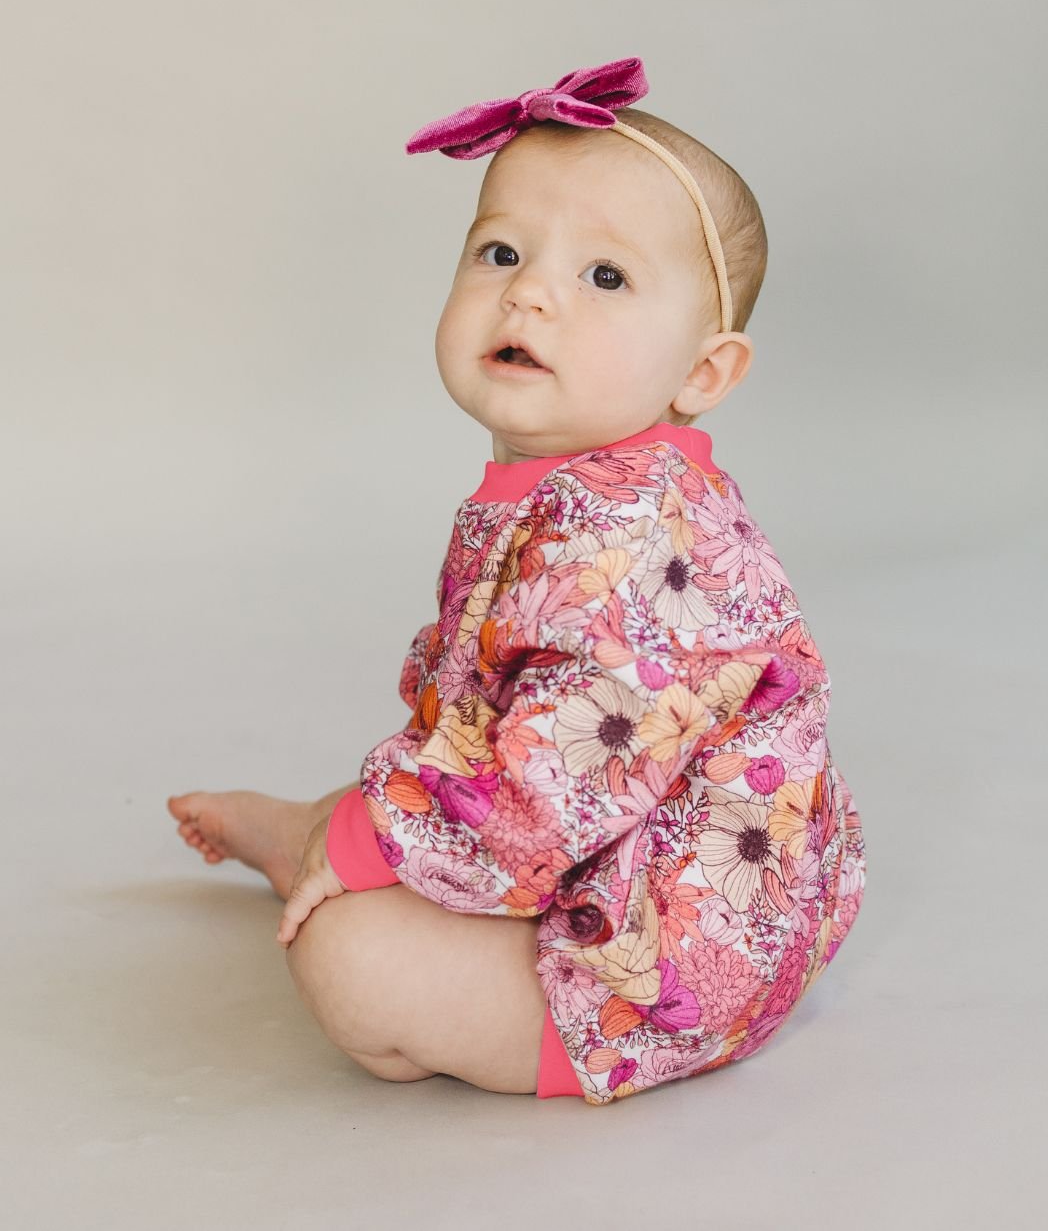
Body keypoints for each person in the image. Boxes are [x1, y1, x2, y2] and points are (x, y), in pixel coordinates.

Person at [167, 57, 868, 1106]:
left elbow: (549, 792)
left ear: (703, 372)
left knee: (351, 959)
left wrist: (368, 851)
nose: (529, 291)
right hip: (584, 845)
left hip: (663, 962)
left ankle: (331, 845)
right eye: (501, 252)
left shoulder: (638, 542)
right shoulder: (577, 486)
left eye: (605, 277)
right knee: (394, 809)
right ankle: (315, 831)